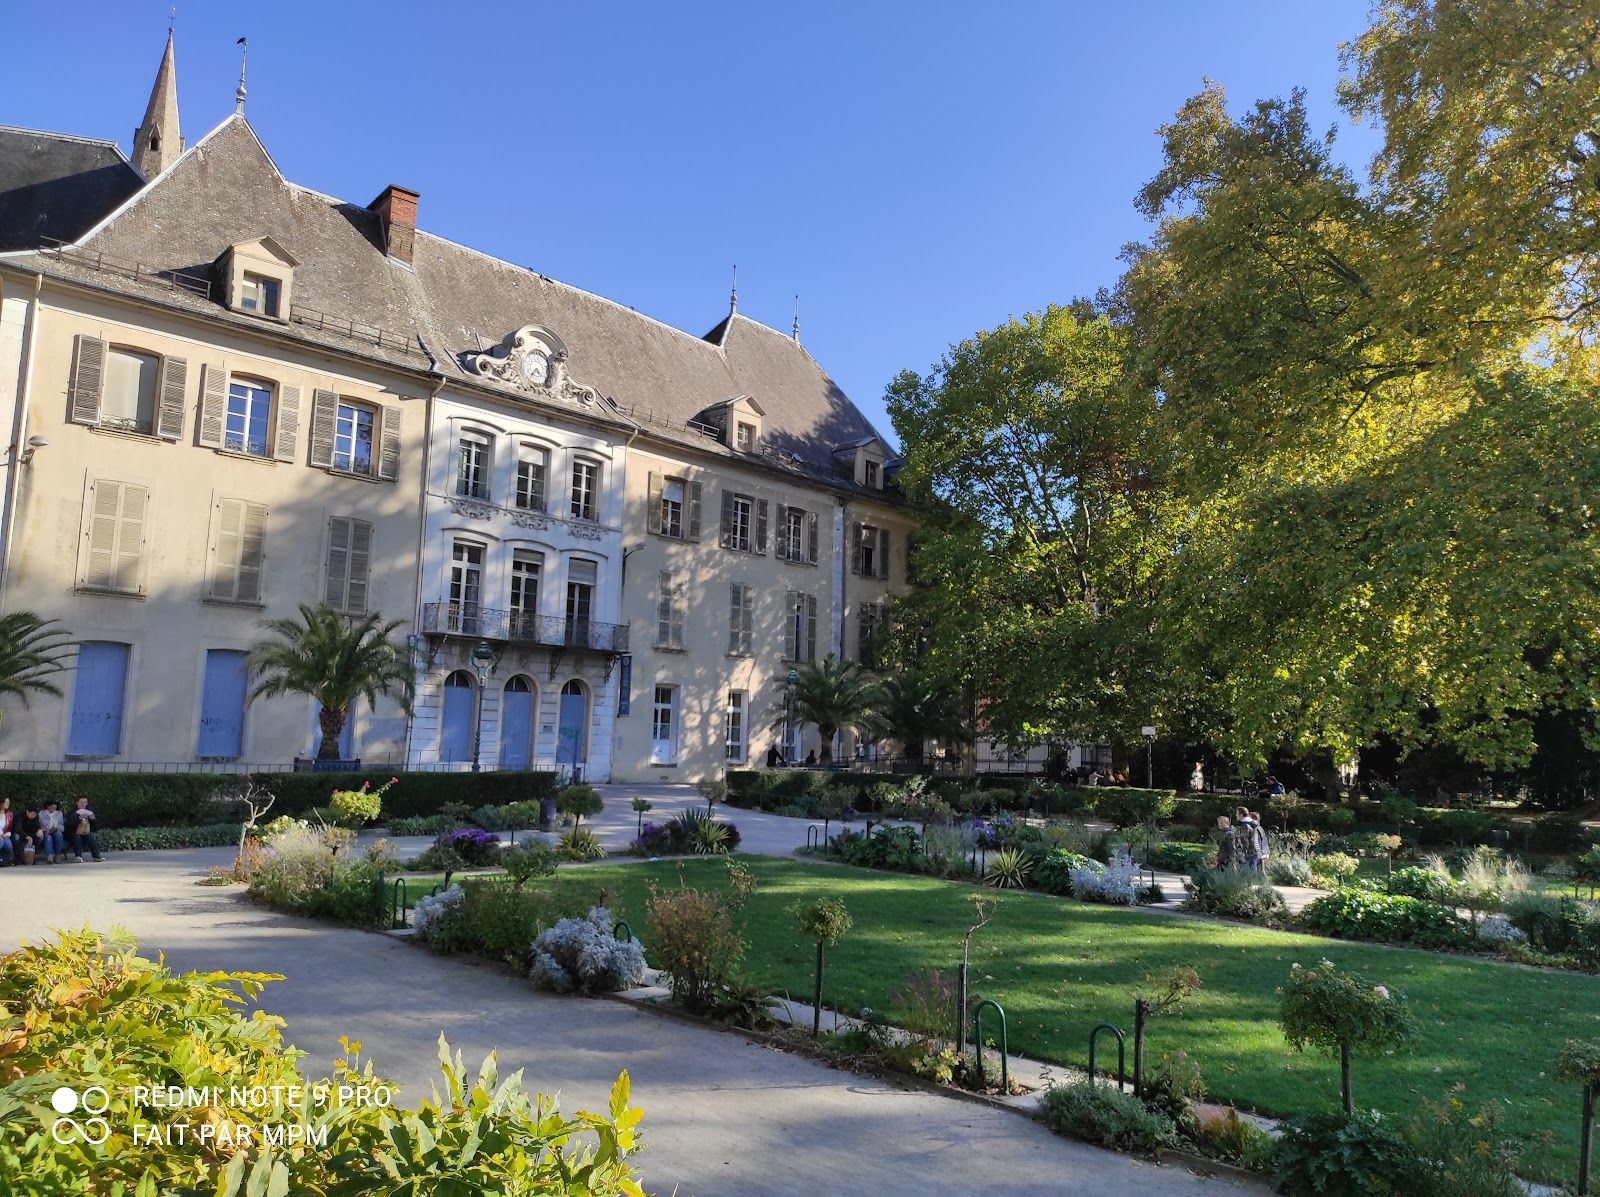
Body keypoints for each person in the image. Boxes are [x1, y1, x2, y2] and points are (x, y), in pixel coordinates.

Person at [70, 796, 103, 863]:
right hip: (73, 833)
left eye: (85, 802)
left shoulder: (90, 811)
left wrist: (93, 819)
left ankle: (96, 856)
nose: (83, 804)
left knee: (90, 837)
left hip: (85, 832)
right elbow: (70, 825)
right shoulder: (72, 812)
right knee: (77, 837)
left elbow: (96, 826)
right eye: (81, 802)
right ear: (77, 803)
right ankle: (78, 857)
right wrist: (78, 818)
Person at [1233, 806, 1260, 874]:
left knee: (1247, 876)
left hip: (1248, 854)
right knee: (1254, 874)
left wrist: (1241, 855)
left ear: (1241, 815)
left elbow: (1245, 842)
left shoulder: (1245, 826)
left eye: (1237, 813)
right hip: (1255, 851)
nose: (1236, 815)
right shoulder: (1254, 824)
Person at [1249, 809, 1269, 875]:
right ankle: (1264, 883)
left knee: (1257, 871)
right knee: (1262, 871)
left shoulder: (1255, 829)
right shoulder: (1260, 828)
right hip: (1264, 851)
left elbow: (1256, 841)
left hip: (1259, 852)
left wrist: (1258, 852)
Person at [0, 798, 13, 866]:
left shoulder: (9, 815)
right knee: (1, 841)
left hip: (4, 836)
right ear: (1, 803)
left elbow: (9, 829)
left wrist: (6, 834)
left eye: (9, 802)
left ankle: (4, 861)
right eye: (6, 802)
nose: (8, 804)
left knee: (9, 845)